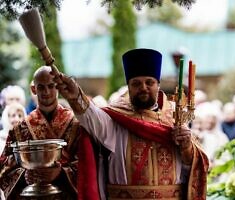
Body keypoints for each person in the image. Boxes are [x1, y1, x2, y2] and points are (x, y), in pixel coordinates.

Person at [53, 48, 209, 199]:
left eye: (149, 82)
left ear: (158, 85)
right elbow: (91, 116)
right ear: (129, 87)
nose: (143, 88)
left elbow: (192, 167)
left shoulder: (175, 118)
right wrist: (75, 97)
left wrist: (187, 147)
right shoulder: (116, 120)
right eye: (136, 83)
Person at [0, 66, 99, 200]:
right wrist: (24, 175)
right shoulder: (19, 129)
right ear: (33, 89)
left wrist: (61, 173)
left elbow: (89, 165)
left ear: (58, 87)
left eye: (51, 86)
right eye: (41, 87)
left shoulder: (76, 126)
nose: (46, 92)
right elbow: (4, 168)